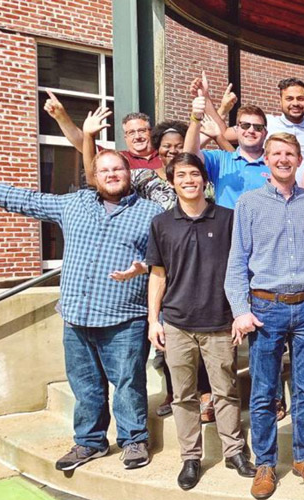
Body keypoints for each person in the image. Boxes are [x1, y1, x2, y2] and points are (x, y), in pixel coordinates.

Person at [0, 150, 162, 470]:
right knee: (84, 385)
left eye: (117, 169)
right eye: (104, 171)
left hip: (123, 317)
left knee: (128, 383)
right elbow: (25, 199)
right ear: (94, 177)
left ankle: (134, 440)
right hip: (76, 316)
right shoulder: (73, 205)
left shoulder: (152, 213)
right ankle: (90, 442)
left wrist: (142, 272)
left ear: (129, 173)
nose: (112, 175)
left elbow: (164, 263)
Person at [225, 133, 304, 498]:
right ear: (266, 159)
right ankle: (265, 463)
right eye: (276, 153)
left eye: (289, 153)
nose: (283, 159)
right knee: (263, 392)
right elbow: (236, 264)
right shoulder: (247, 204)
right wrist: (240, 310)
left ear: (298, 159)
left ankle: (303, 458)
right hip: (265, 309)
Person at [81, 108, 218, 419]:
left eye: (178, 145)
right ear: (158, 148)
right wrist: (88, 136)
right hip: (157, 262)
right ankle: (174, 391)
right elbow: (96, 177)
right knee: (167, 335)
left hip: (197, 264)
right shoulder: (141, 178)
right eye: (166, 146)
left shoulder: (197, 178)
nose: (172, 150)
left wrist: (201, 117)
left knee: (203, 329)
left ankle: (207, 392)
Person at [145, 153, 255, 490]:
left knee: (225, 391)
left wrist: (240, 311)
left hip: (219, 321)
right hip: (177, 323)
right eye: (181, 175)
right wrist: (154, 320)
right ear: (171, 180)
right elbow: (157, 275)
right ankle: (190, 457)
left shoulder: (227, 219)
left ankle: (234, 451)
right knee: (183, 396)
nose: (189, 180)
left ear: (204, 180)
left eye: (195, 174)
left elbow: (242, 269)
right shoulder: (161, 223)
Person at [224, 78, 304, 179]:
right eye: (289, 98)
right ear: (280, 101)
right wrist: (223, 109)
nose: (295, 103)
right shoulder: (266, 123)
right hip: (270, 194)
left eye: (300, 98)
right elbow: (223, 134)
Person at [185, 93, 270, 209]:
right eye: (245, 125)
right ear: (236, 129)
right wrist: (195, 119)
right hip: (227, 226)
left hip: (264, 226)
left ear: (265, 133)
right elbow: (189, 156)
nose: (251, 130)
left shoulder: (275, 163)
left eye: (258, 127)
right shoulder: (221, 159)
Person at [43, 90, 162, 170]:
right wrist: (61, 117)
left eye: (142, 131)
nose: (137, 137)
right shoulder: (120, 159)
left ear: (150, 132)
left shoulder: (166, 156)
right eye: (131, 133)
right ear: (125, 137)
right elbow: (83, 144)